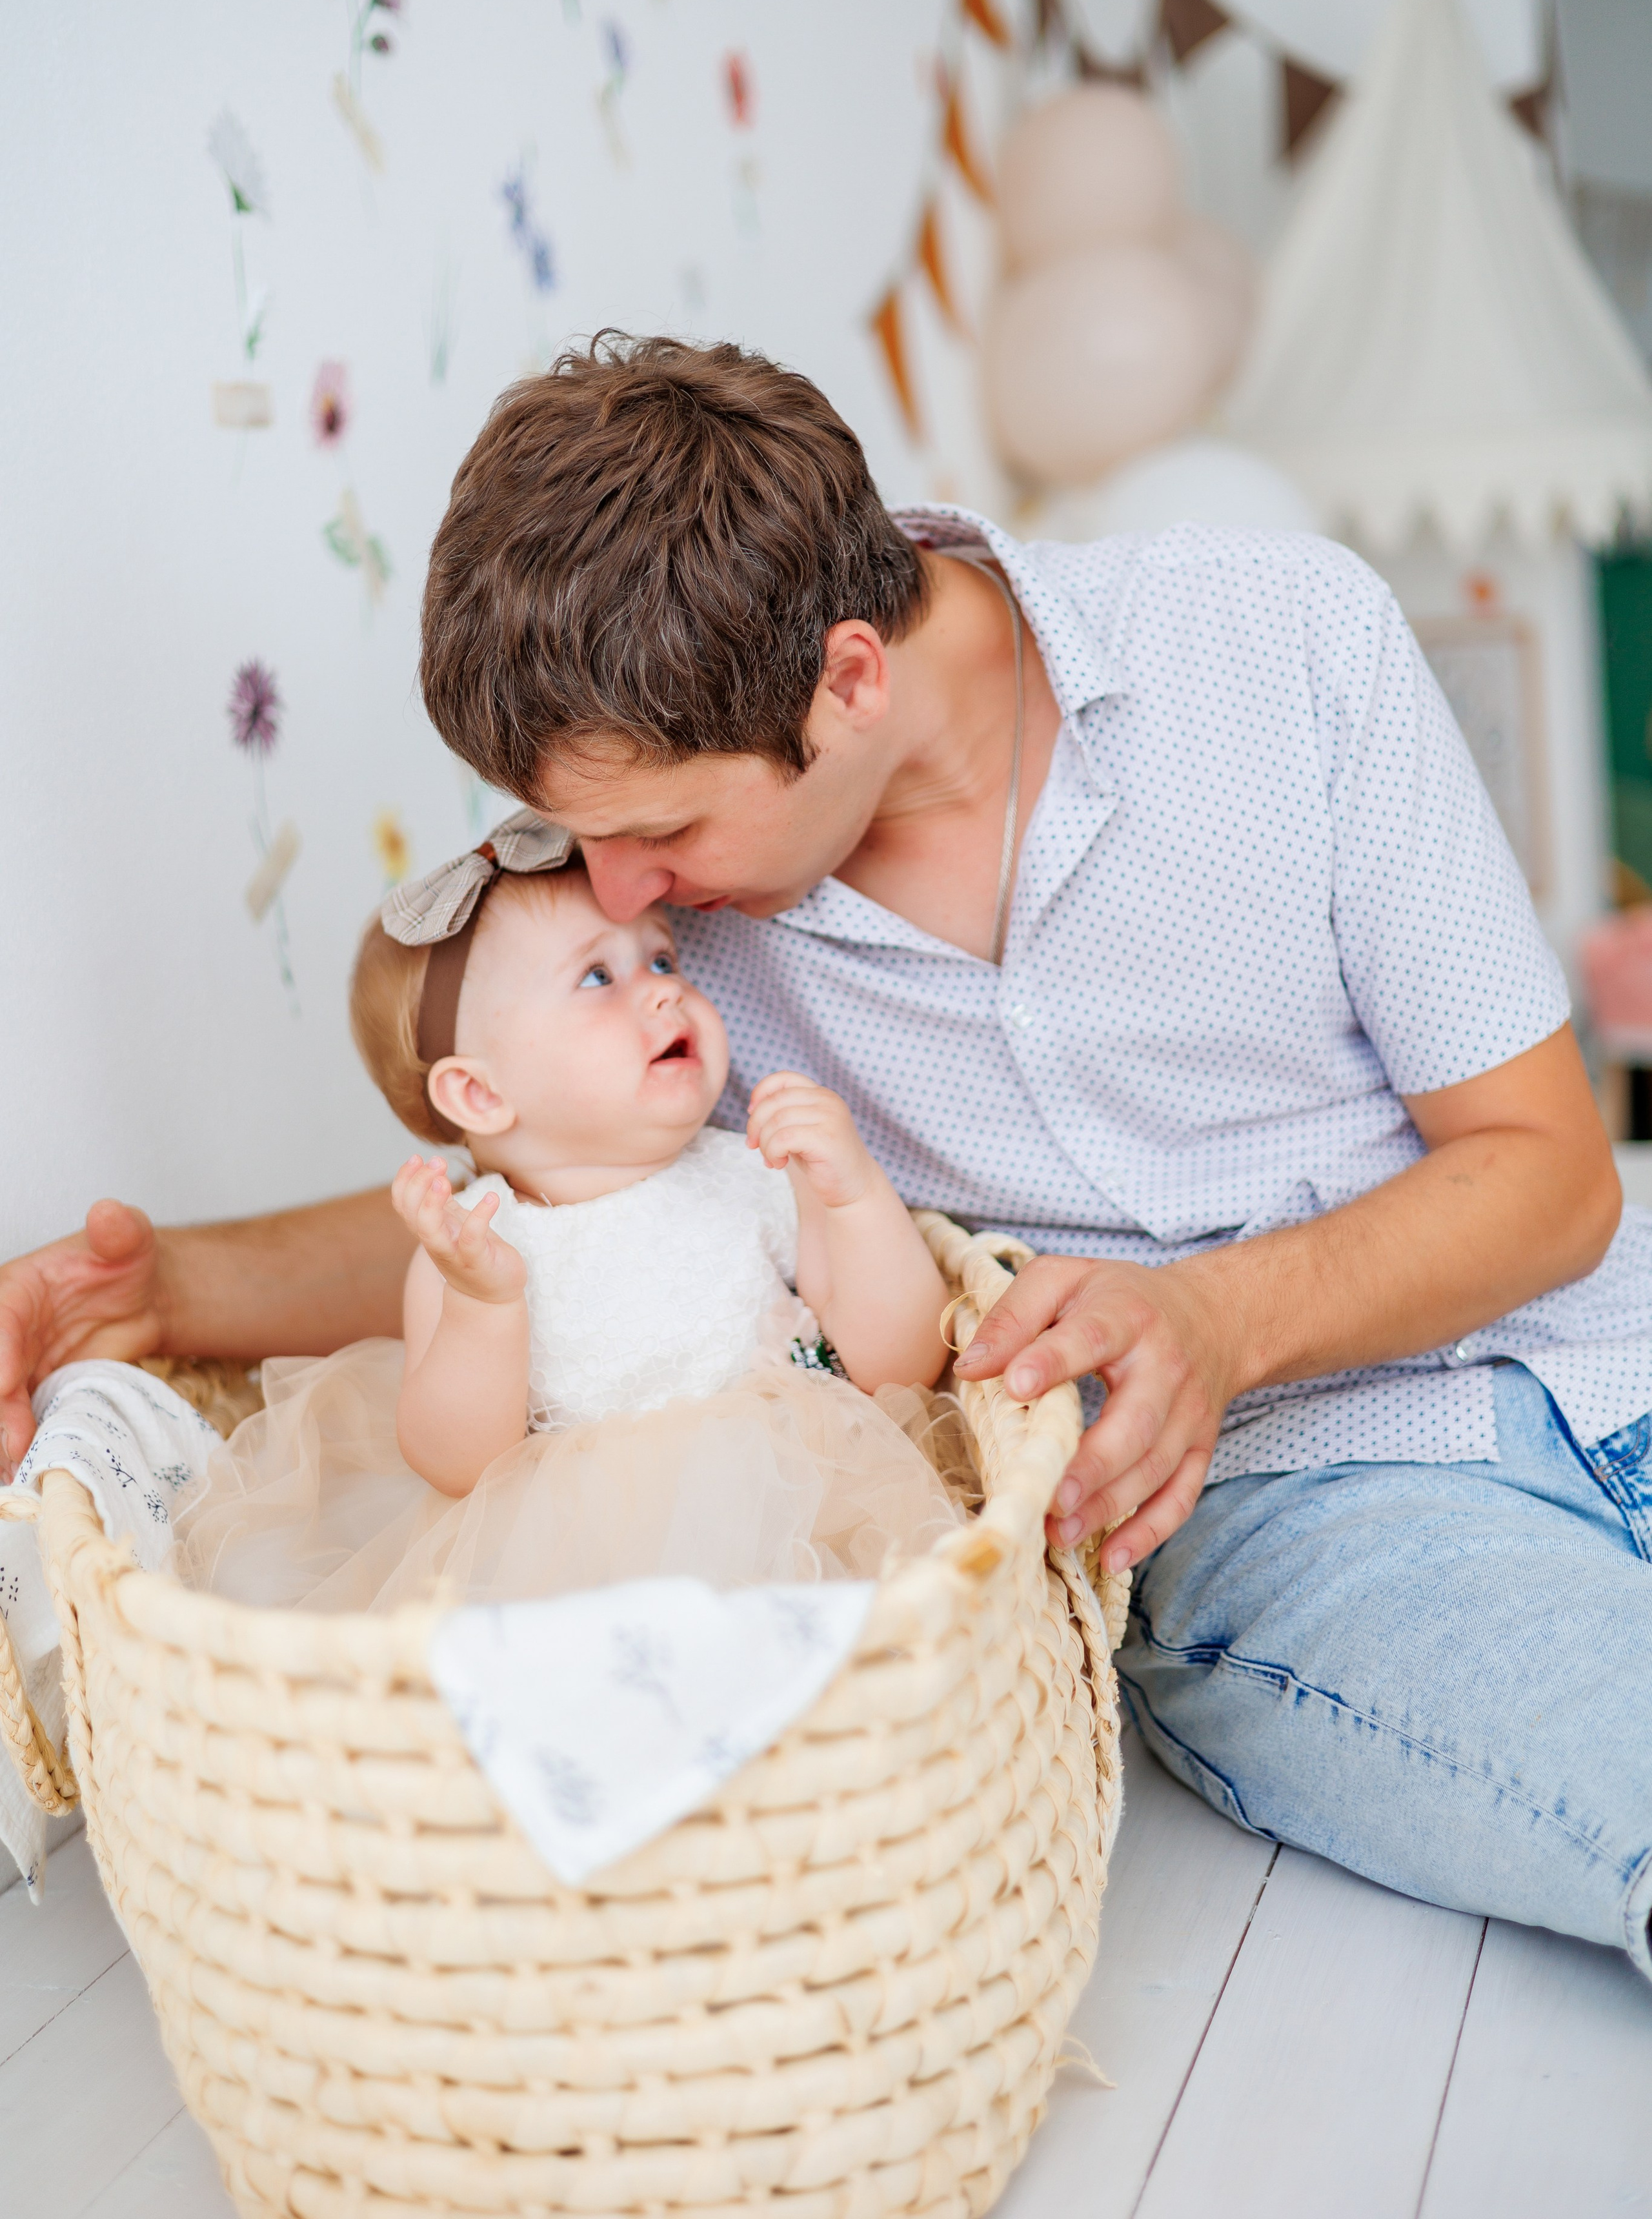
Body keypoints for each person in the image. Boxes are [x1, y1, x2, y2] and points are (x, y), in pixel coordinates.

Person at [5, 336, 1649, 1977]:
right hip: (1294, 1507)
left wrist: (1212, 1316)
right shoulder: (682, 961)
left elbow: (1551, 1172)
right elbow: (543, 1239)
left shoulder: (1279, 640)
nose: (621, 892)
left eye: (657, 831)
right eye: (586, 841)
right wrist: (155, 1292)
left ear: (849, 680)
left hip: (1605, 1354)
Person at [168, 853, 958, 1610]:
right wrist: (486, 1305)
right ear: (479, 1095)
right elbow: (458, 1465)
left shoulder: (755, 1167)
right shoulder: (478, 1247)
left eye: (660, 959)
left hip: (802, 1511)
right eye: (596, 977)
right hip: (580, 1575)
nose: (664, 994)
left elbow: (901, 1365)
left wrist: (853, 1194)